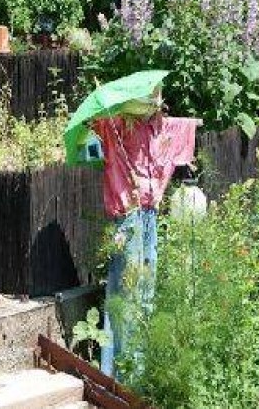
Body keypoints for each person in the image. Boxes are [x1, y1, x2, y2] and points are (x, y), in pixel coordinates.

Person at [91, 92, 201, 377]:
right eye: (153, 100)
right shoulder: (117, 124)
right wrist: (108, 124)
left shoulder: (161, 127)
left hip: (149, 214)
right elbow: (95, 131)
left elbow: (183, 130)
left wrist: (190, 125)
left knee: (145, 291)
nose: (158, 104)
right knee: (124, 292)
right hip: (127, 215)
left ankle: (137, 369)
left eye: (161, 99)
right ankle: (115, 372)